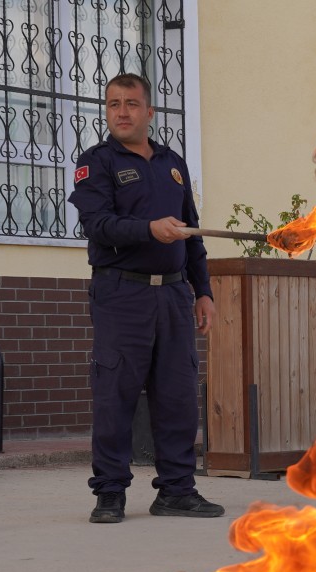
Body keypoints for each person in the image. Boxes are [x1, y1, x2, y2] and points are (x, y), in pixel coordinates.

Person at [69, 73, 222, 523]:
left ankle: (176, 490)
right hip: (122, 292)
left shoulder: (173, 163)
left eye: (131, 104)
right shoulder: (97, 162)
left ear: (149, 112)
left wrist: (203, 292)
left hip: (174, 294)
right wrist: (148, 228)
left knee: (177, 395)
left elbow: (191, 233)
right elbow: (97, 225)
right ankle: (110, 493)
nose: (121, 112)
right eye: (114, 103)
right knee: (115, 394)